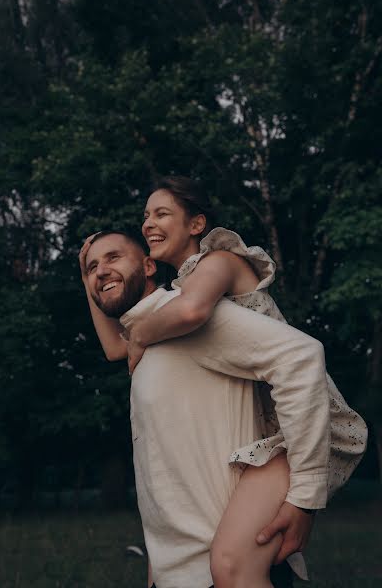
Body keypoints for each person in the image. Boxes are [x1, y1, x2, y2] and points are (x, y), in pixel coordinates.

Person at [82, 229, 332, 588]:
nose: (100, 271)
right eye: (92, 268)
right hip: (175, 571)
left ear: (150, 265)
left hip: (229, 566)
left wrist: (304, 497)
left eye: (113, 258)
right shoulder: (143, 341)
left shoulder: (185, 314)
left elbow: (301, 357)